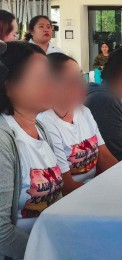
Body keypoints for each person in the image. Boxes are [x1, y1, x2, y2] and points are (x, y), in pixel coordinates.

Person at [0, 42, 63, 259]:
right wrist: (55, 254)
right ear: (8, 87)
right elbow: (1, 234)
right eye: (40, 79)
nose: (51, 85)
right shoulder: (4, 140)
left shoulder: (41, 128)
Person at [39, 53, 118, 195]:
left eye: (82, 77)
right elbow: (67, 185)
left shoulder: (84, 112)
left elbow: (104, 156)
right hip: (74, 198)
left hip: (92, 189)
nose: (83, 86)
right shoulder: (46, 123)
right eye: (73, 81)